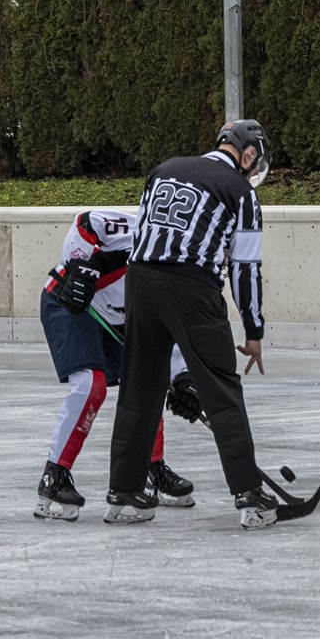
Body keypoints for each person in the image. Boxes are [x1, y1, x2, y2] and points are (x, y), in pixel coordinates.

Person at [106, 119, 280, 530]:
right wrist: (254, 331)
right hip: (193, 286)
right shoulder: (239, 192)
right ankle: (249, 493)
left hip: (141, 282)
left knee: (139, 388)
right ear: (248, 153)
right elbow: (245, 269)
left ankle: (125, 493)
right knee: (221, 389)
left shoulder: (163, 169)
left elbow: (143, 231)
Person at [35, 209, 199, 522]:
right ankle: (54, 476)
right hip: (71, 302)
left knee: (149, 381)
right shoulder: (136, 229)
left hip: (120, 318)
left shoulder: (183, 277)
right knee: (89, 386)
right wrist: (78, 265)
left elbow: (170, 334)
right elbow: (86, 222)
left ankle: (151, 468)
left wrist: (182, 379)